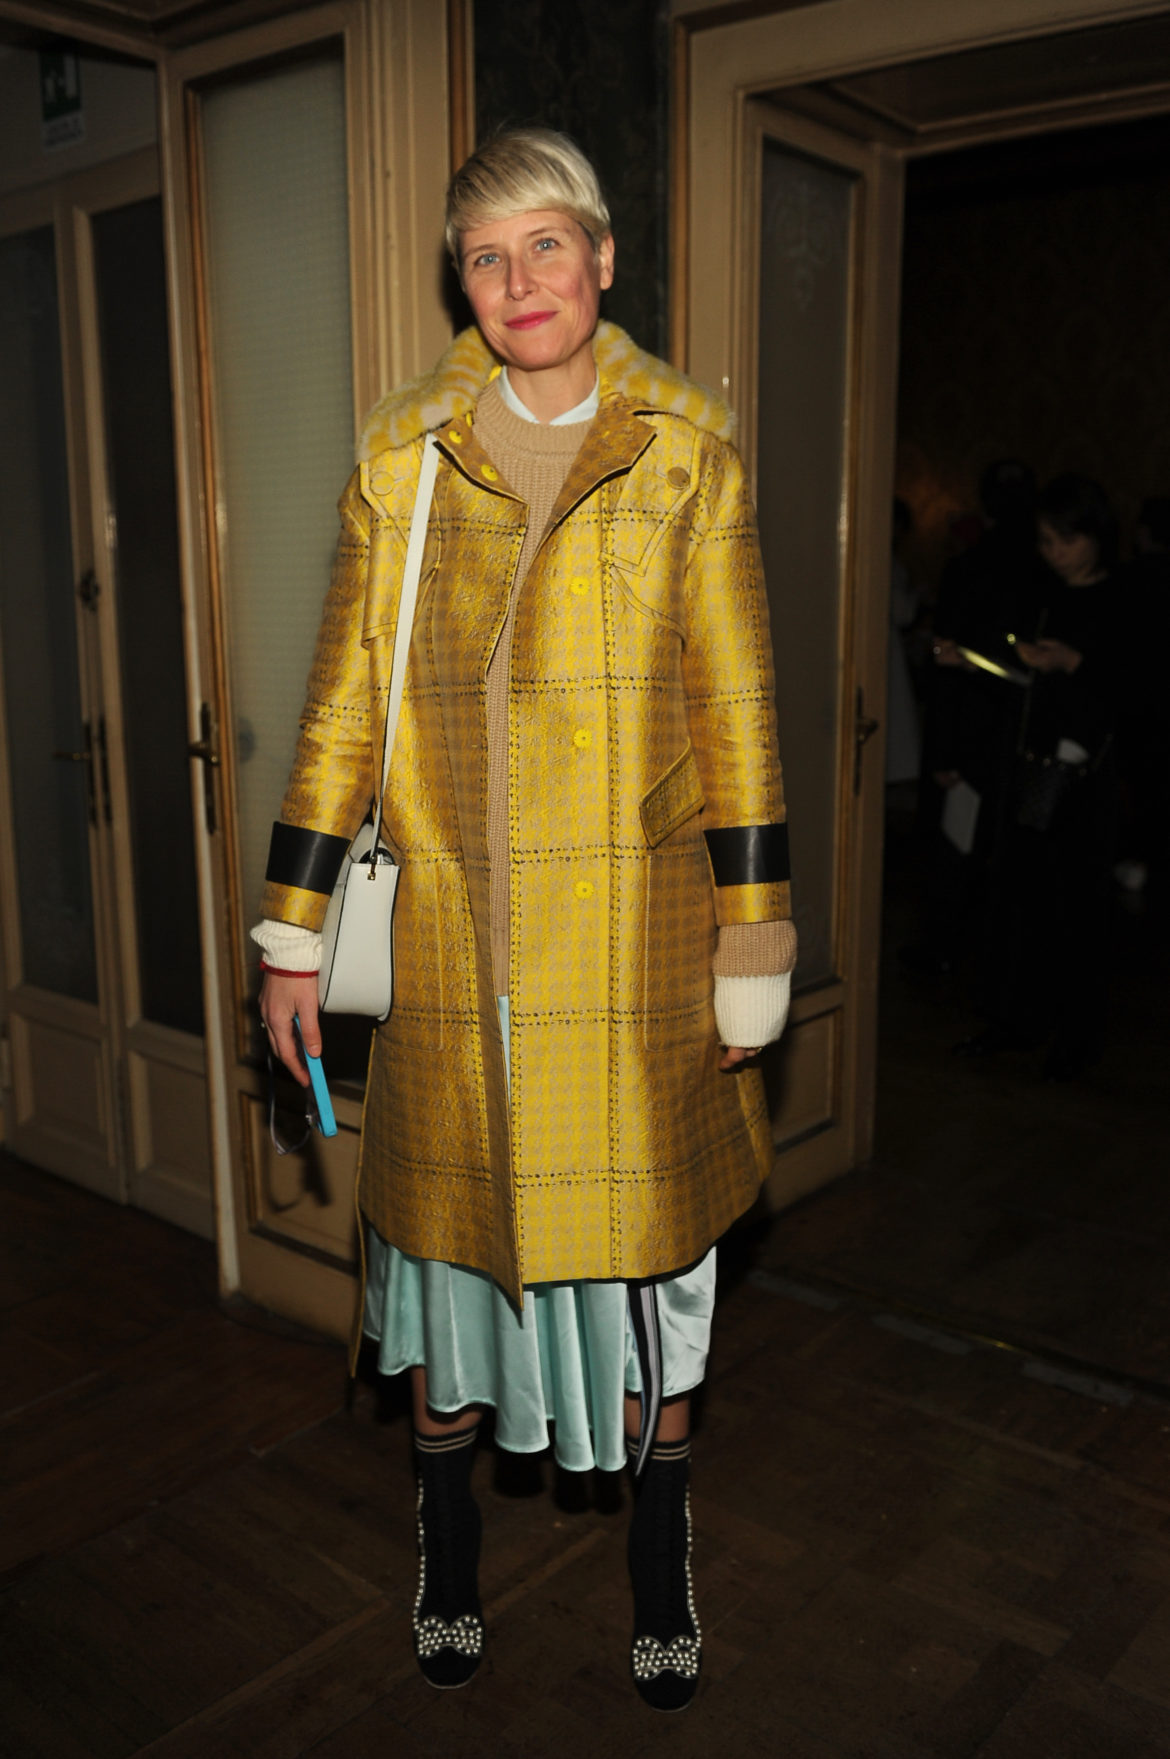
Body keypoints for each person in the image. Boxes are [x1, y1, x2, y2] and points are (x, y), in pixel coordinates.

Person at [252, 128, 795, 1710]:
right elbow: (338, 712)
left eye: (545, 244)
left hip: (632, 969)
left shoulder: (687, 457)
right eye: (486, 256)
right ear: (462, 283)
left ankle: (658, 1559)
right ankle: (445, 1547)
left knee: (656, 1288)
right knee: (440, 1282)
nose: (519, 279)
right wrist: (291, 933)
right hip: (451, 963)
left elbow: (741, 720)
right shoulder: (402, 464)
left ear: (602, 258)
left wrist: (753, 944)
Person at [957, 472, 1120, 1078]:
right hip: (1028, 768)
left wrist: (1075, 663)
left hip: (1087, 784)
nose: (1056, 553)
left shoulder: (1127, 598)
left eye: (1067, 540)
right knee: (1019, 900)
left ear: (1096, 536)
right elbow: (1018, 677)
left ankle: (1076, 1041)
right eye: (1047, 541)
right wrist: (994, 662)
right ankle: (1015, 1019)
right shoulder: (1039, 592)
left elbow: (1135, 691)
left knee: (1077, 911)